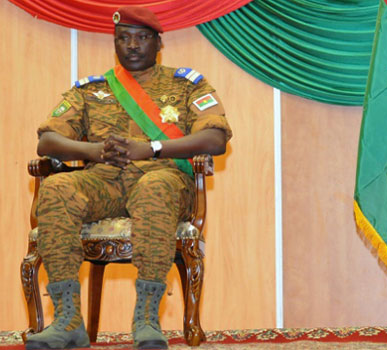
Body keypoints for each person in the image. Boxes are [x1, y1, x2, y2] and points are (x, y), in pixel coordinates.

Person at [25, 6, 232, 350]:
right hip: (103, 181)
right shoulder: (92, 90)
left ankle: (147, 319)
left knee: (154, 187)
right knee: (58, 187)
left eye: (141, 37)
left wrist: (150, 148)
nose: (132, 45)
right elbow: (47, 141)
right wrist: (95, 152)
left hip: (162, 177)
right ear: (115, 43)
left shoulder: (185, 85)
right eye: (124, 38)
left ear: (158, 42)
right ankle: (67, 320)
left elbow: (216, 139)